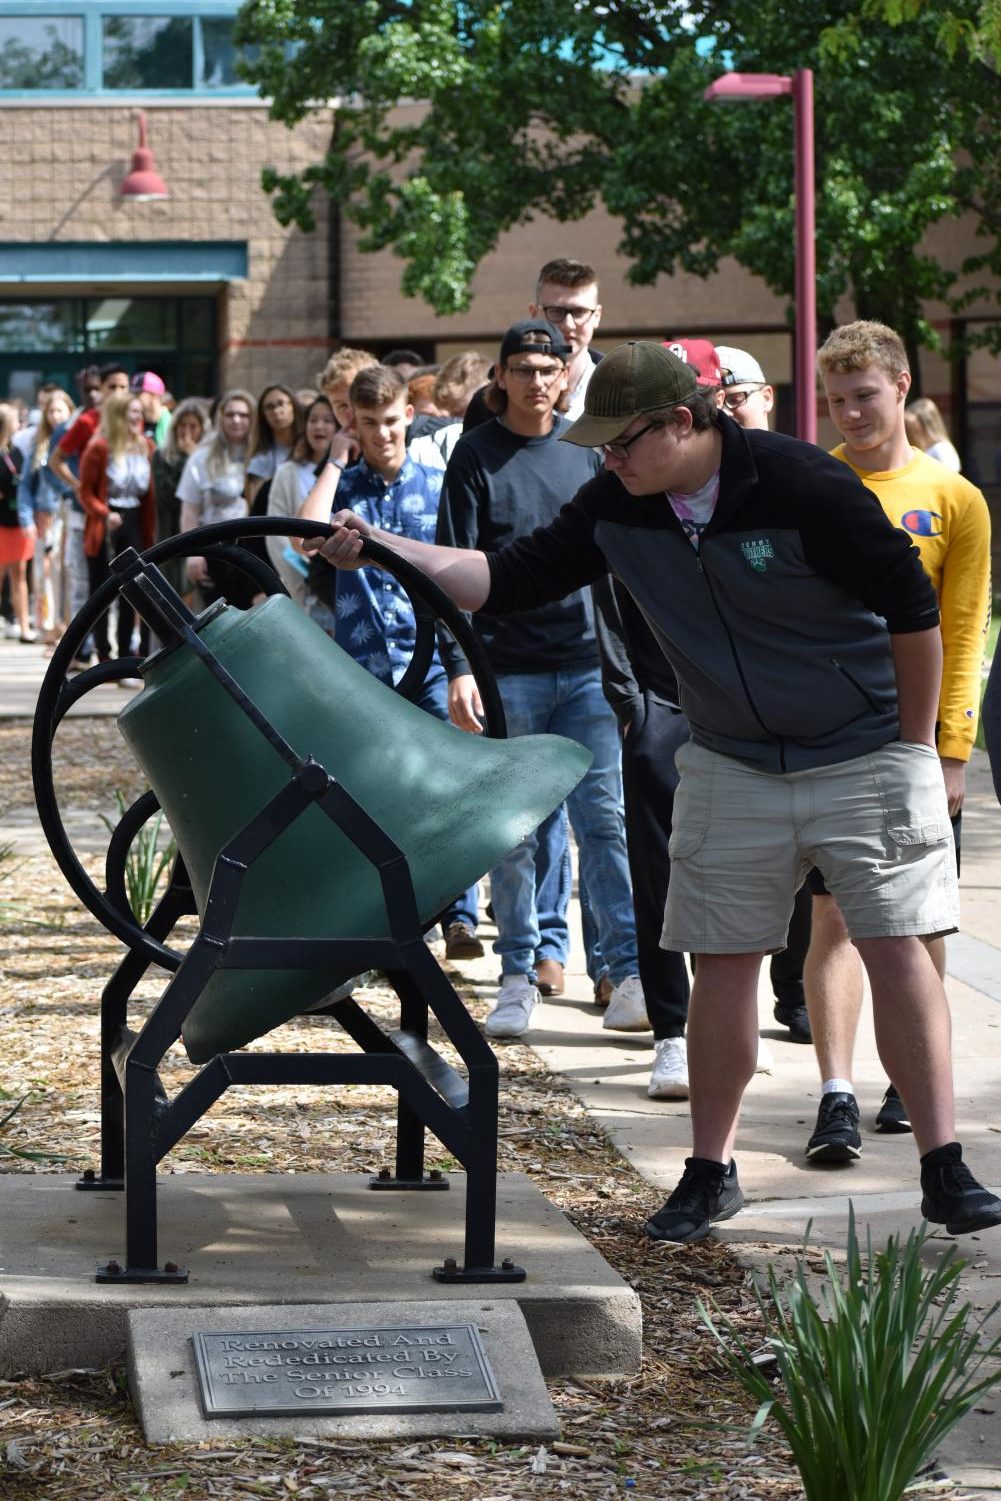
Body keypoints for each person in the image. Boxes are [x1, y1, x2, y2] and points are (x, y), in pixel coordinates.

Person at [307, 339, 1001, 1244]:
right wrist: (383, 549)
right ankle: (709, 1172)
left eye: (622, 442)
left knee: (895, 947)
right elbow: (500, 581)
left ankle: (942, 1164)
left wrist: (915, 751)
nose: (606, 460)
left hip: (861, 751)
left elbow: (914, 608)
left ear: (682, 422)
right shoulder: (616, 503)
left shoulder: (800, 485)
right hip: (729, 757)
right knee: (721, 962)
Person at [800, 320, 992, 1161]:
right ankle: (834, 1090)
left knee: (919, 923)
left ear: (903, 387)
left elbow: (964, 626)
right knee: (832, 917)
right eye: (834, 400)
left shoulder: (955, 500)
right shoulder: (806, 483)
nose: (848, 413)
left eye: (863, 396)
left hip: (914, 739)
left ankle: (908, 1085)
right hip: (827, 736)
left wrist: (950, 749)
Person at [435, 318, 641, 1038]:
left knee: (605, 824)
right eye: (519, 368)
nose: (533, 380)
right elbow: (450, 569)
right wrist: (458, 667)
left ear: (563, 375)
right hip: (505, 670)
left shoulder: (587, 453)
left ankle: (624, 972)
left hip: (586, 666)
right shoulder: (473, 457)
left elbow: (618, 564)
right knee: (514, 833)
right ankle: (518, 972)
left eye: (544, 368)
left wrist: (627, 676)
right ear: (499, 377)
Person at [297, 363, 482, 961]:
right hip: (365, 664)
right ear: (353, 421)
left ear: (410, 414)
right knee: (379, 791)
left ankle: (460, 916)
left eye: (391, 420)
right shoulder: (345, 488)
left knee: (444, 783)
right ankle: (399, 920)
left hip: (428, 656)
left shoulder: (437, 475)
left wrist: (460, 663)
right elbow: (303, 537)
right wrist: (334, 458)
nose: (382, 434)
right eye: (369, 423)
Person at [712, 344, 812, 1046]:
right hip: (725, 717)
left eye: (736, 395)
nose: (726, 409)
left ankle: (798, 991)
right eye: (712, 400)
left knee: (814, 881)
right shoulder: (691, 492)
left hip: (810, 711)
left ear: (767, 396)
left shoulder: (801, 476)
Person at [78, 391, 156, 675]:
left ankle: (126, 655)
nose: (137, 417)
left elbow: (149, 495)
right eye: (131, 412)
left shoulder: (146, 446)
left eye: (139, 412)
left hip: (135, 522)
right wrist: (103, 513)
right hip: (106, 523)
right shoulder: (99, 447)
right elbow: (84, 492)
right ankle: (105, 655)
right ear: (117, 416)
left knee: (133, 591)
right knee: (102, 591)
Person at [177, 389, 254, 605]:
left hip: (255, 552)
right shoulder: (201, 458)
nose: (236, 420)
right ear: (220, 418)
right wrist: (193, 554)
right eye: (230, 414)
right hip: (214, 550)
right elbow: (189, 510)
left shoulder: (264, 456)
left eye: (244, 415)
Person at [265, 394, 336, 609]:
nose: (319, 426)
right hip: (304, 591)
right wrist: (302, 578)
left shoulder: (350, 471)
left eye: (327, 420)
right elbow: (275, 534)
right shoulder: (288, 472)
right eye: (313, 420)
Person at [22, 388, 75, 647]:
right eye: (51, 411)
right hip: (45, 516)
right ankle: (50, 630)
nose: (55, 416)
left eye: (60, 411)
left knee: (67, 572)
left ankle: (68, 629)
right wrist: (26, 518)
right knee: (45, 575)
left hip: (68, 513)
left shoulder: (74, 442)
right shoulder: (39, 445)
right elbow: (25, 486)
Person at [151, 398, 211, 599]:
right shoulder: (161, 456)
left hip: (205, 533)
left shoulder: (211, 458)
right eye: (182, 426)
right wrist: (188, 459)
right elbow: (167, 496)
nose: (187, 431)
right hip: (171, 532)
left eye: (193, 426)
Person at [528, 258, 602, 419]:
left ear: (596, 316)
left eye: (579, 312)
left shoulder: (624, 390)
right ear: (534, 313)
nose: (568, 325)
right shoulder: (500, 397)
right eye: (556, 311)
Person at [0, 403, 34, 642]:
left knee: (20, 573)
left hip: (18, 521)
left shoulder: (18, 451)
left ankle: (24, 626)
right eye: (15, 419)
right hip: (1, 520)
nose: (19, 422)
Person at [245, 385, 303, 504]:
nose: (276, 411)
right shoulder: (261, 458)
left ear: (293, 406)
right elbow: (258, 505)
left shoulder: (311, 447)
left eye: (281, 403)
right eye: (269, 407)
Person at [904, 396, 962, 473]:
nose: (909, 433)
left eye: (912, 428)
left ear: (926, 427)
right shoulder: (931, 450)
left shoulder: (941, 451)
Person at [130, 371, 172, 448]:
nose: (133, 398)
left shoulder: (170, 424)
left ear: (153, 395)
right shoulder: (135, 421)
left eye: (138, 394)